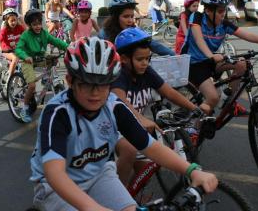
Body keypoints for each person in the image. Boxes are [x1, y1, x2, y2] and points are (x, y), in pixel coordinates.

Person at [30, 36, 218, 211]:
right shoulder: (57, 112)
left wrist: (192, 171)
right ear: (70, 81)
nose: (95, 93)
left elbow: (149, 146)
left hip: (99, 174)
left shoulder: (113, 105)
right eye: (86, 84)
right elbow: (55, 174)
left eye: (103, 84)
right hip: (55, 186)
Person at [111, 27, 209, 184]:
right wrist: (141, 119)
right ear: (123, 59)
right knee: (129, 151)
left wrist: (196, 109)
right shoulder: (119, 74)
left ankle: (133, 197)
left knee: (144, 172)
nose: (144, 63)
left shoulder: (146, 71)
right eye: (139, 59)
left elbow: (169, 92)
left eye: (147, 58)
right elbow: (119, 101)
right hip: (114, 127)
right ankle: (116, 200)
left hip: (134, 127)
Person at [181, 0, 258, 115]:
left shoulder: (223, 25)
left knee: (242, 64)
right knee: (213, 98)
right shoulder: (197, 17)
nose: (223, 14)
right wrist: (211, 56)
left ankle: (228, 101)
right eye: (220, 11)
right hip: (193, 63)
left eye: (224, 11)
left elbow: (248, 35)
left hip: (211, 61)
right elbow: (199, 39)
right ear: (208, 11)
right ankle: (193, 130)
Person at [15, 9, 69, 123]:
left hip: (40, 57)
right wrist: (25, 56)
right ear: (29, 25)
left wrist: (69, 47)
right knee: (32, 86)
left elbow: (56, 41)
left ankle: (47, 79)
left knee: (53, 59)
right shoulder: (25, 35)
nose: (38, 26)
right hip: (28, 60)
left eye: (39, 23)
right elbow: (18, 48)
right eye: (34, 24)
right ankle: (24, 108)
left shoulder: (44, 33)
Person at [99, 0, 175, 56]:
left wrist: (175, 55)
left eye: (132, 16)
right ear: (115, 18)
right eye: (126, 16)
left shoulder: (136, 31)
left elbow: (155, 45)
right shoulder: (104, 34)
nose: (131, 20)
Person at [0, 8, 26, 80]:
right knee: (15, 59)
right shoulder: (4, 30)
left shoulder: (19, 27)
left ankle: (20, 77)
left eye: (15, 20)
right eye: (11, 21)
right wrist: (1, 50)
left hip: (16, 49)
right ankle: (9, 78)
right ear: (7, 21)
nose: (14, 22)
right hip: (7, 50)